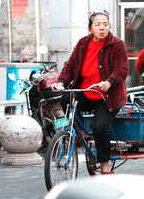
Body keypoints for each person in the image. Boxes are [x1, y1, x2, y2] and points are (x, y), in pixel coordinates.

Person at [52, 12, 128, 174]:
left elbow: (122, 69)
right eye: (98, 24)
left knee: (99, 127)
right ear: (90, 28)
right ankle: (76, 134)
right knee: (62, 98)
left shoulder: (117, 44)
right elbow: (70, 65)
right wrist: (61, 82)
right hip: (85, 91)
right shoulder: (82, 43)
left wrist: (109, 82)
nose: (102, 27)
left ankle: (105, 166)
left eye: (105, 24)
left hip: (107, 96)